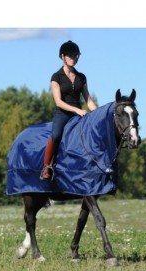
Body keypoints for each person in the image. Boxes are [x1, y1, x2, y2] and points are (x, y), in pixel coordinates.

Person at [40, 40, 97, 180]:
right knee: (56, 135)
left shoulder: (81, 77)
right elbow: (58, 102)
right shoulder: (56, 77)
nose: (73, 58)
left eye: (75, 55)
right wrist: (77, 110)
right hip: (63, 114)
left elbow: (88, 100)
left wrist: (97, 114)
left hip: (79, 114)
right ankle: (46, 167)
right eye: (70, 55)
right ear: (63, 57)